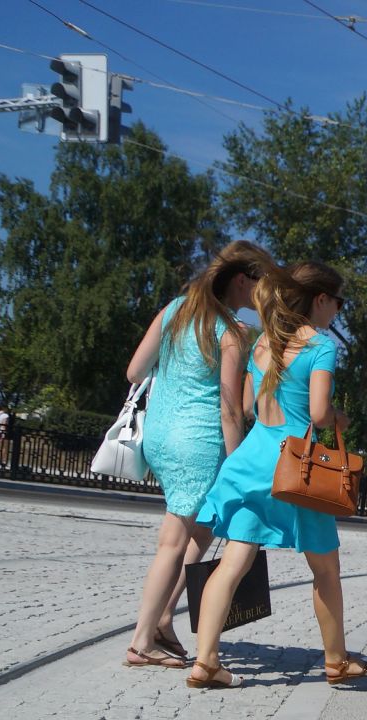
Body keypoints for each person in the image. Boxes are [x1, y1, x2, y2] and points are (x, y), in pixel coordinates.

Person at [185, 261, 367, 690]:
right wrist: (339, 419)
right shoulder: (321, 346)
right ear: (321, 299)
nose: (338, 311)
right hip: (298, 468)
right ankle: (336, 661)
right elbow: (316, 414)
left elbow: (252, 407)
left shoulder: (263, 344)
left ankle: (205, 661)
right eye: (338, 301)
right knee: (326, 567)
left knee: (234, 561)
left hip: (253, 459)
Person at [118, 240, 277, 669]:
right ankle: (142, 640)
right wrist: (237, 466)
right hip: (198, 443)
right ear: (242, 281)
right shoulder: (226, 333)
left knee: (200, 530)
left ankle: (164, 620)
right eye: (260, 285)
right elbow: (229, 410)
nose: (262, 296)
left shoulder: (175, 311)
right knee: (174, 541)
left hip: (161, 436)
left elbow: (135, 372)